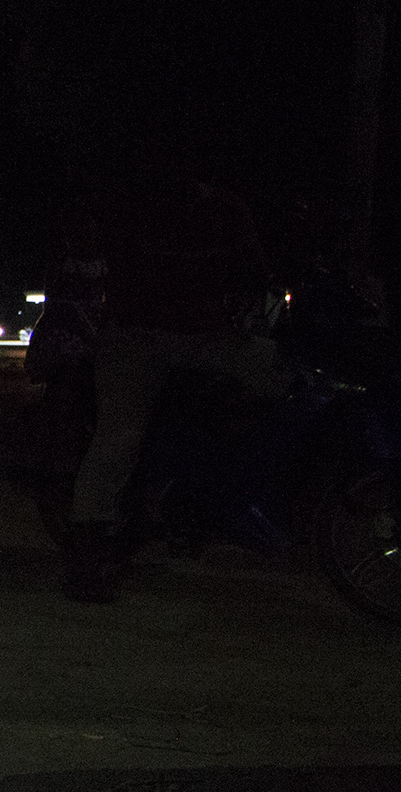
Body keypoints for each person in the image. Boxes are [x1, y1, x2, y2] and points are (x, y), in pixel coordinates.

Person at [61, 163, 284, 602]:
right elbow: (110, 252)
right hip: (138, 334)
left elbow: (254, 263)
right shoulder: (135, 203)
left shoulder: (225, 206)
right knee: (122, 432)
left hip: (210, 334)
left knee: (280, 377)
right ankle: (86, 548)